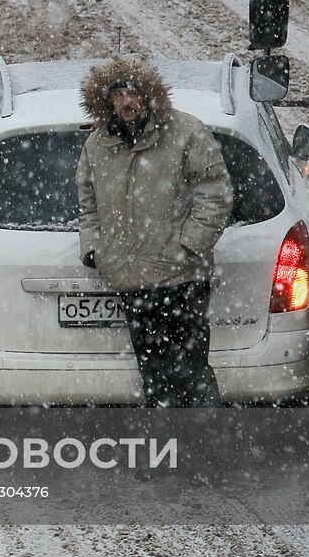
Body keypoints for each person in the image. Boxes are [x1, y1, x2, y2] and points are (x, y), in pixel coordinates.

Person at [76, 56, 233, 407]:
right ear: (107, 100)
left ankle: (206, 447)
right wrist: (94, 248)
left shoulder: (186, 133)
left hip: (182, 279)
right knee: (155, 375)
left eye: (134, 92)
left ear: (149, 95)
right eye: (118, 94)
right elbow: (88, 204)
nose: (127, 102)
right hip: (132, 281)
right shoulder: (97, 146)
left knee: (192, 373)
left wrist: (189, 245)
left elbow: (216, 194)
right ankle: (166, 451)